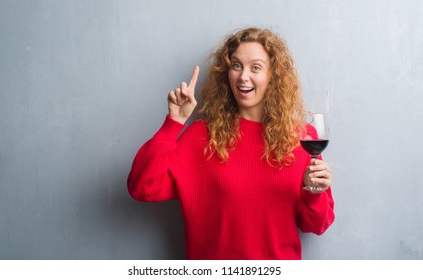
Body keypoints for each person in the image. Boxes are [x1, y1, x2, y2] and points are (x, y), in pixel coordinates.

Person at [127, 27, 335, 260]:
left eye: (255, 67)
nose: (243, 76)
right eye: (236, 65)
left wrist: (314, 191)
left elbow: (317, 225)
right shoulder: (201, 136)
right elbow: (142, 188)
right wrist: (174, 122)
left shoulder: (302, 138)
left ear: (273, 76)